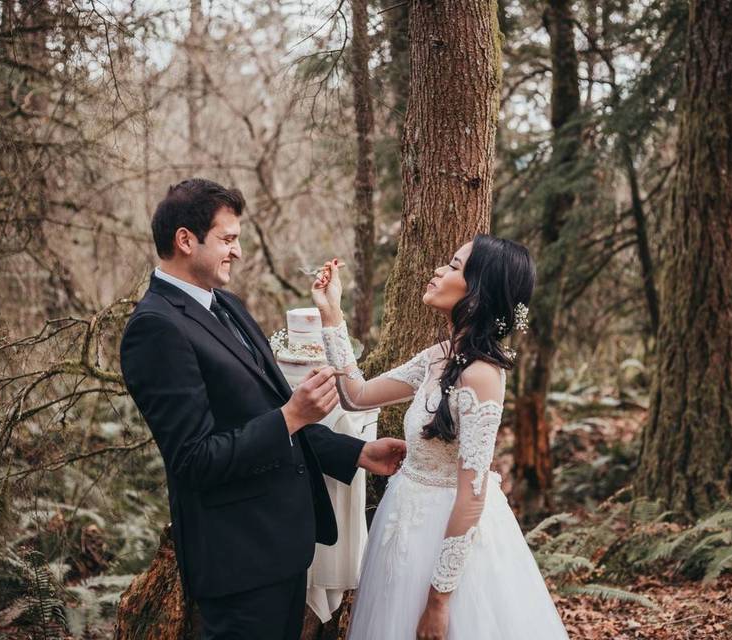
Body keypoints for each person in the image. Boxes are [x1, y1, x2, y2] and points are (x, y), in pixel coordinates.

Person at [119, 178, 407, 640]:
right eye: (227, 239)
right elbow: (195, 459)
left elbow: (264, 409)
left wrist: (354, 452)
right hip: (236, 561)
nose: (237, 251)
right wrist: (293, 415)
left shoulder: (228, 306)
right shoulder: (155, 328)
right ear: (185, 240)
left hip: (281, 548)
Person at [311, 235, 569, 639]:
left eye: (452, 266)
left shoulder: (482, 375)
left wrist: (439, 600)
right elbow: (356, 396)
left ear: (478, 289)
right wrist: (331, 316)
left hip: (446, 537)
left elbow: (473, 495)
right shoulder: (439, 356)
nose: (438, 270)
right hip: (404, 525)